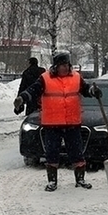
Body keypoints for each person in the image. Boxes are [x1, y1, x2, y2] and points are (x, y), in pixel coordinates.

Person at [13, 51, 100, 192]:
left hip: (72, 122)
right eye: (62, 65)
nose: (65, 68)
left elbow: (85, 89)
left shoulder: (76, 77)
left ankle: (80, 179)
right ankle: (52, 181)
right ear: (55, 66)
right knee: (52, 153)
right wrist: (22, 98)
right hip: (52, 123)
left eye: (66, 65)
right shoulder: (45, 78)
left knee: (77, 152)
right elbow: (33, 90)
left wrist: (93, 91)